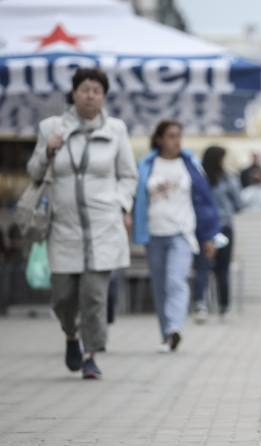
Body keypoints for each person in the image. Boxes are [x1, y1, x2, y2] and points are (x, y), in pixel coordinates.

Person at [26, 67, 138, 379]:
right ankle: (71, 336)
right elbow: (34, 172)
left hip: (103, 225)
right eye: (85, 90)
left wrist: (119, 203)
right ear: (74, 93)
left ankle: (91, 355)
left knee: (94, 296)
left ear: (104, 96)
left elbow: (129, 175)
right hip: (63, 225)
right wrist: (48, 150)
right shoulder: (51, 126)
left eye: (97, 91)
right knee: (62, 296)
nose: (91, 96)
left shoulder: (116, 129)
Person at [132, 120, 221, 352]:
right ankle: (166, 335)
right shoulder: (147, 164)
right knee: (160, 285)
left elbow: (205, 201)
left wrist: (210, 235)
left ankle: (175, 327)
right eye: (171, 136)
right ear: (160, 139)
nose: (176, 140)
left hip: (182, 233)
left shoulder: (191, 164)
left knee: (176, 280)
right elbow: (136, 195)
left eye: (179, 136)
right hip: (153, 233)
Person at [192, 146, 244, 322]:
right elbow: (239, 204)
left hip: (203, 228)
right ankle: (224, 307)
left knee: (202, 267)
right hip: (224, 228)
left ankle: (201, 305)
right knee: (222, 269)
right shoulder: (228, 178)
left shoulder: (199, 179)